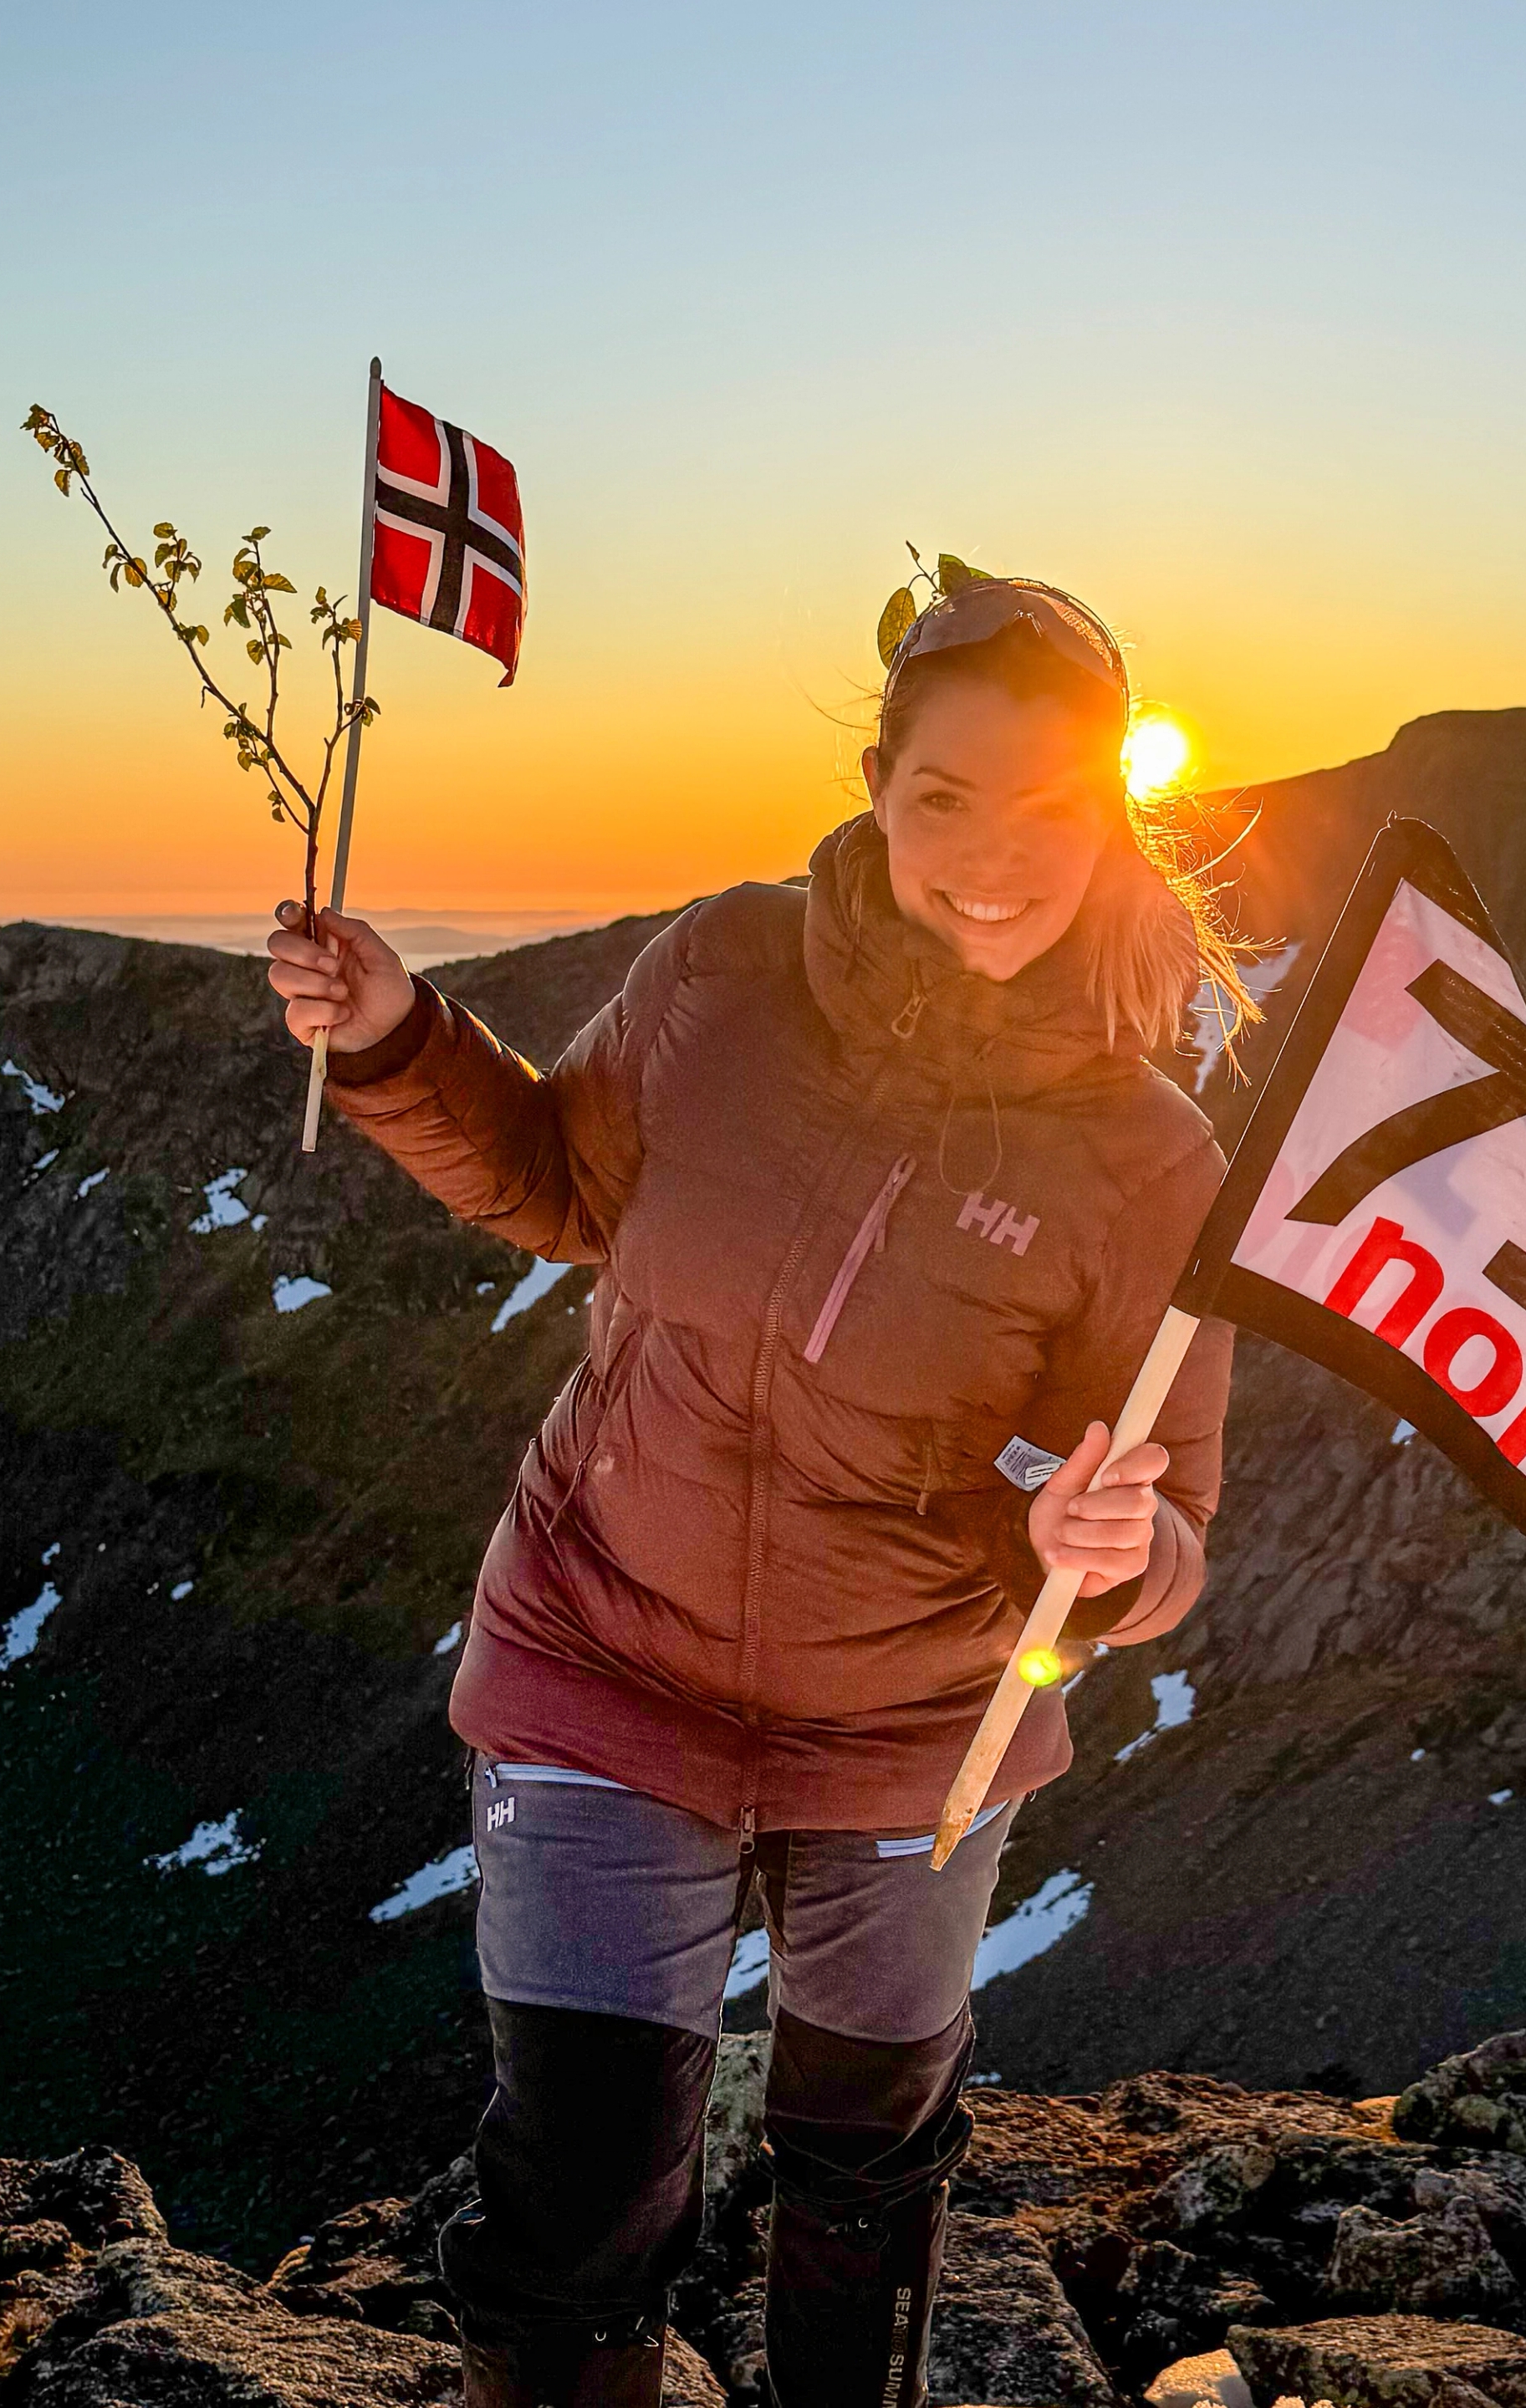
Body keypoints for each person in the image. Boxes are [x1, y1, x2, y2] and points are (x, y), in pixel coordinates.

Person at [265, 564, 1253, 2408]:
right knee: (574, 2194)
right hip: (602, 1658)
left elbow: (1169, 1520)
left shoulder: (1150, 1163)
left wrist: (1106, 1545)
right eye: (944, 795)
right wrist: (399, 1034)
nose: (988, 854)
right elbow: (565, 1183)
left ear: (1115, 823)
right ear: (878, 784)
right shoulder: (725, 968)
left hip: (907, 1730)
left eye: (1049, 809)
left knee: (863, 2185)